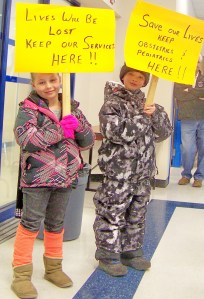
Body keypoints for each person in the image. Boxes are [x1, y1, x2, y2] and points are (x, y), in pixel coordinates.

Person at [11, 73, 94, 299]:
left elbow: (87, 142)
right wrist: (59, 129)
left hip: (66, 177)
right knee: (30, 223)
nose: (48, 86)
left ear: (60, 80)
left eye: (52, 80)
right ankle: (21, 275)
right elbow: (26, 139)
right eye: (41, 82)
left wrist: (77, 127)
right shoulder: (28, 109)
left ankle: (53, 269)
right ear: (33, 84)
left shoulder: (72, 108)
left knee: (56, 224)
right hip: (37, 178)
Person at [93, 64, 172, 277]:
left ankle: (131, 251)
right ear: (123, 76)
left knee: (137, 213)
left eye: (140, 76)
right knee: (112, 212)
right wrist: (142, 119)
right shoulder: (112, 103)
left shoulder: (150, 104)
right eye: (131, 75)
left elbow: (165, 132)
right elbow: (117, 133)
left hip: (143, 173)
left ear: (146, 81)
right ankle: (108, 255)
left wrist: (154, 114)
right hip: (118, 173)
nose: (135, 79)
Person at [174, 54, 204, 187]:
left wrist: (189, 92)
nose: (196, 64)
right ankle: (186, 174)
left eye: (198, 62)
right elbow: (178, 94)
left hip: (203, 116)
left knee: (203, 148)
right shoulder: (180, 79)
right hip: (187, 118)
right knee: (188, 149)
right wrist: (197, 94)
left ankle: (199, 177)